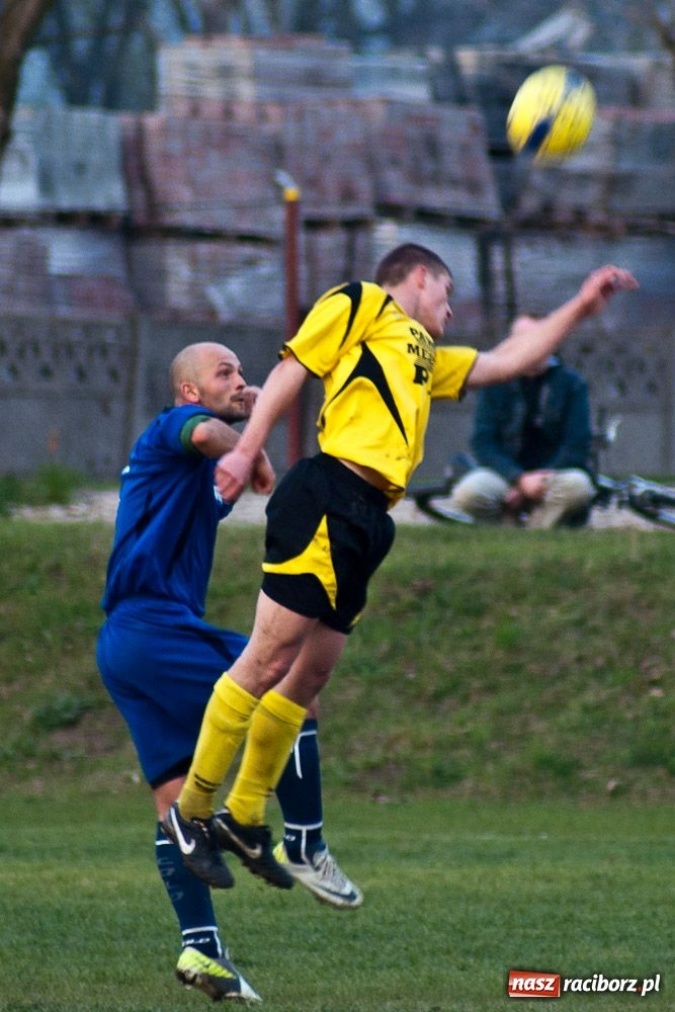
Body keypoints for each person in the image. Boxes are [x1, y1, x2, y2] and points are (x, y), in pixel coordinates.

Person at [163, 246, 637, 911]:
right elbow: (294, 365)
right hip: (326, 494)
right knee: (265, 660)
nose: (452, 304)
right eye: (447, 289)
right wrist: (246, 449)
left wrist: (584, 305)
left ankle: (242, 817)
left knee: (309, 676)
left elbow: (510, 362)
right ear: (419, 277)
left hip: (370, 519)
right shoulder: (361, 303)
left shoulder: (424, 355)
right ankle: (191, 812)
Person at [96, 342, 363, 1005]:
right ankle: (301, 841)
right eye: (226, 374)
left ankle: (202, 951)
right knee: (293, 681)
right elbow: (207, 434)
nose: (241, 383)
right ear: (188, 391)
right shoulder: (172, 428)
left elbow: (210, 468)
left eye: (245, 374)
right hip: (152, 629)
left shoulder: (179, 475)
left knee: (174, 800)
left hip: (125, 646)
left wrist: (241, 468)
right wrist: (254, 448)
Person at [447, 321, 596, 527]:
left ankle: (537, 532)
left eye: (537, 340)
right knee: (467, 494)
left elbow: (577, 445)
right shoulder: (495, 382)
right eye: (523, 340)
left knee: (578, 486)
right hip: (505, 475)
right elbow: (483, 442)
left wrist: (537, 481)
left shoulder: (571, 383)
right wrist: (518, 479)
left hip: (554, 477)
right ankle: (507, 531)